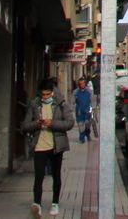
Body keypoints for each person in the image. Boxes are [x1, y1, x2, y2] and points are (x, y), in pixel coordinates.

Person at [21, 76, 74, 217]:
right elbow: (25, 126)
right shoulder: (34, 104)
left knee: (56, 175)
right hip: (40, 146)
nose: (45, 97)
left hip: (57, 145)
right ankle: (37, 204)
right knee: (39, 176)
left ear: (52, 92)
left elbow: (69, 123)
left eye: (47, 94)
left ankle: (55, 203)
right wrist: (37, 124)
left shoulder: (61, 103)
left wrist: (53, 123)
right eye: (43, 94)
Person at [73, 77, 94, 143]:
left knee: (87, 124)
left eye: (83, 83)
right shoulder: (75, 92)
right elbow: (72, 101)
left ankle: (87, 134)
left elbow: (92, 101)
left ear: (85, 84)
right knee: (80, 125)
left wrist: (91, 110)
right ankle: (82, 138)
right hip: (79, 111)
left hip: (87, 110)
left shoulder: (89, 91)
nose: (81, 85)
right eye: (80, 84)